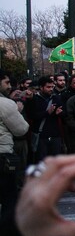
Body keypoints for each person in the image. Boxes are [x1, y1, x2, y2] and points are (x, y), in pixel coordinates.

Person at [0, 69, 29, 218]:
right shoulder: (5, 104)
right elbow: (21, 129)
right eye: (6, 82)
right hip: (3, 156)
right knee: (8, 197)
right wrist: (17, 111)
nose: (9, 86)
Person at [26, 76, 64, 162]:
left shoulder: (56, 98)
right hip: (41, 136)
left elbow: (65, 114)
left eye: (52, 87)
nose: (51, 89)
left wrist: (60, 113)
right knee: (41, 164)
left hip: (55, 136)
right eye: (48, 87)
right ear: (41, 87)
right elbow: (32, 116)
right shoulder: (34, 99)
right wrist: (47, 113)